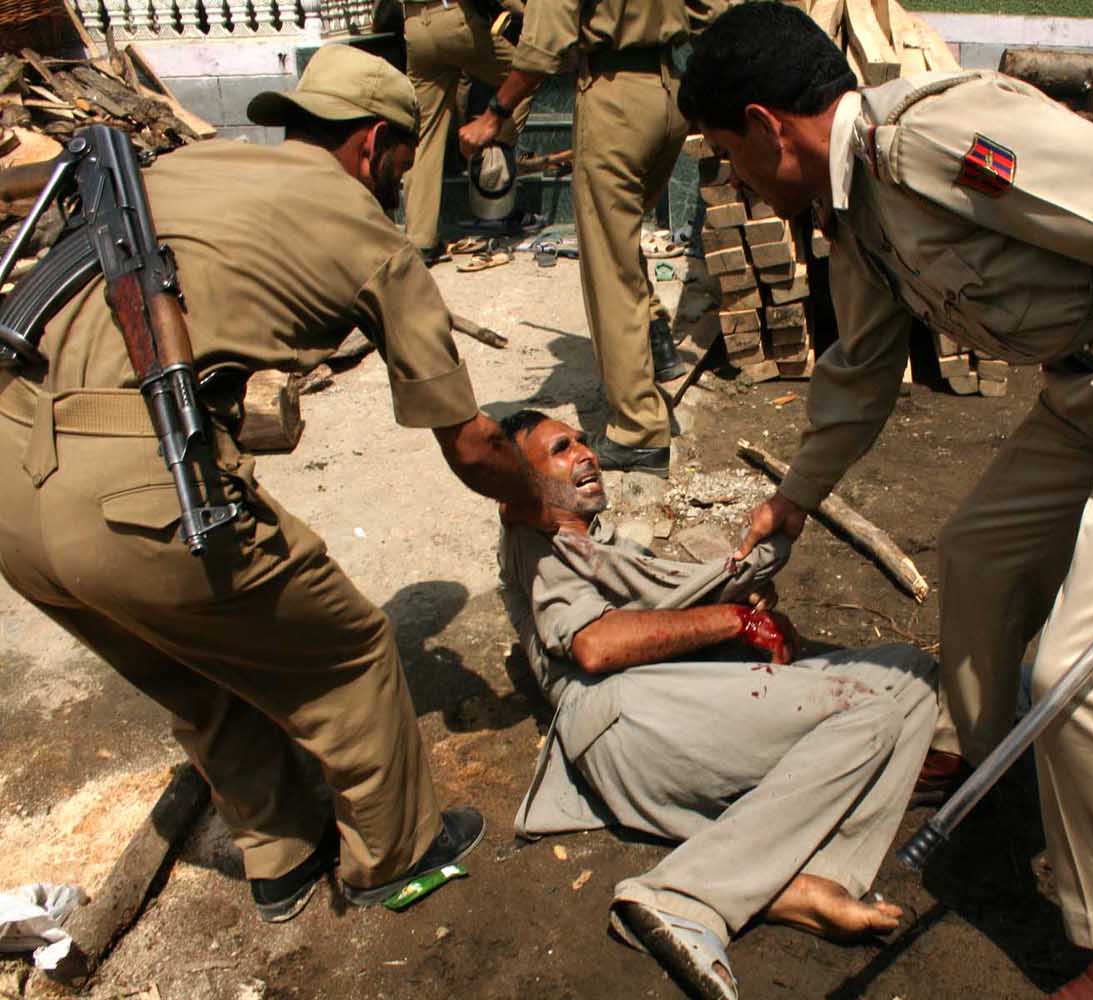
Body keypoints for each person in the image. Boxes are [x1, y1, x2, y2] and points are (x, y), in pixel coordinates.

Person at [679, 6, 1093, 999]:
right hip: (1091, 389)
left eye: (726, 154)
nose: (735, 178)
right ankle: (988, 758)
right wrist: (794, 499)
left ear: (766, 127)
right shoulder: (858, 207)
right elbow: (862, 367)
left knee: (1082, 672)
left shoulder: (931, 140)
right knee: (977, 556)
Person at [0, 45, 535, 923]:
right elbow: (472, 444)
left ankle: (280, 858)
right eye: (403, 161)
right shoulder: (369, 234)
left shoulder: (180, 166)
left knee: (196, 667)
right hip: (135, 494)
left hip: (12, 484)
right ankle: (397, 855)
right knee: (352, 655)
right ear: (374, 144)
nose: (402, 179)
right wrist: (532, 497)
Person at [497, 409, 937, 1000]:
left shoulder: (597, 540)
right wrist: (733, 619)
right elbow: (595, 645)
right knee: (869, 713)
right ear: (515, 485)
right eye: (560, 449)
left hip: (671, 696)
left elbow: (661, 615)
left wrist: (735, 598)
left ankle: (802, 876)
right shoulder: (534, 541)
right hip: (625, 718)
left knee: (910, 674)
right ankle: (684, 898)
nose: (585, 452)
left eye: (582, 440)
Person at [457, 0, 731, 477]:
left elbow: (542, 44)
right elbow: (712, 12)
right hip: (669, 92)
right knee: (619, 238)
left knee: (608, 264)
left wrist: (495, 113)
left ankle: (638, 430)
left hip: (613, 96)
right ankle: (657, 338)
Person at [403, 0, 539, 264]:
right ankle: (489, 143)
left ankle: (420, 241)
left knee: (426, 135)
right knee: (529, 73)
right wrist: (523, 9)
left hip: (415, 25)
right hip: (454, 19)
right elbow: (533, 66)